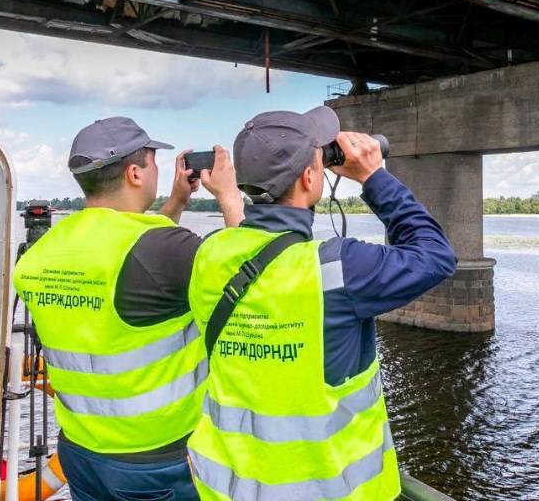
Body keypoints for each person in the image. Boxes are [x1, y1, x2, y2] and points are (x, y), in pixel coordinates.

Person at [185, 106, 457, 500]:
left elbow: (249, 244)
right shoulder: (337, 268)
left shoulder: (209, 254)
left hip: (228, 488)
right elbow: (436, 256)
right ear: (312, 176)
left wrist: (230, 196)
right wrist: (373, 177)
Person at [13, 117, 243, 501]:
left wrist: (176, 203)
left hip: (80, 453)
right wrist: (230, 197)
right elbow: (253, 276)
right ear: (135, 173)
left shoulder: (38, 257)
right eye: (153, 162)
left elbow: (136, 258)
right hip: (157, 460)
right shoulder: (166, 250)